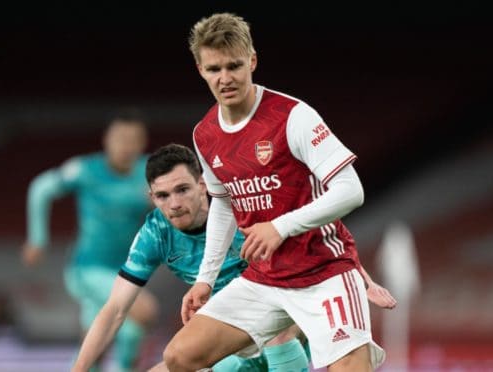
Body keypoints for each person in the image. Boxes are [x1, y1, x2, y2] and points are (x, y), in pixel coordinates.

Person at [162, 13, 395, 372]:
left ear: (252, 61)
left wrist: (281, 227)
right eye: (214, 69)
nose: (225, 78)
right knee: (179, 357)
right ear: (200, 69)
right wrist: (206, 280)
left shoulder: (292, 116)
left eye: (234, 65)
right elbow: (224, 204)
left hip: (324, 272)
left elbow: (351, 190)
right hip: (265, 278)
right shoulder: (204, 134)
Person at [72, 144, 395, 372]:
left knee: (275, 329)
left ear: (203, 185)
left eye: (182, 189)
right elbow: (115, 309)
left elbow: (323, 235)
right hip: (231, 333)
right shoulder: (155, 234)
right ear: (151, 197)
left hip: (286, 324)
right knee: (173, 363)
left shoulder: (245, 207)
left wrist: (362, 279)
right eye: (162, 195)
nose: (173, 204)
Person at [22, 109, 158, 372]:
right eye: (120, 138)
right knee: (144, 310)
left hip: (128, 270)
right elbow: (40, 188)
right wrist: (37, 239)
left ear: (142, 143)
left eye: (133, 140)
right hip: (87, 269)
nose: (126, 146)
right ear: (106, 139)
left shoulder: (150, 172)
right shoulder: (84, 170)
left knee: (107, 342)